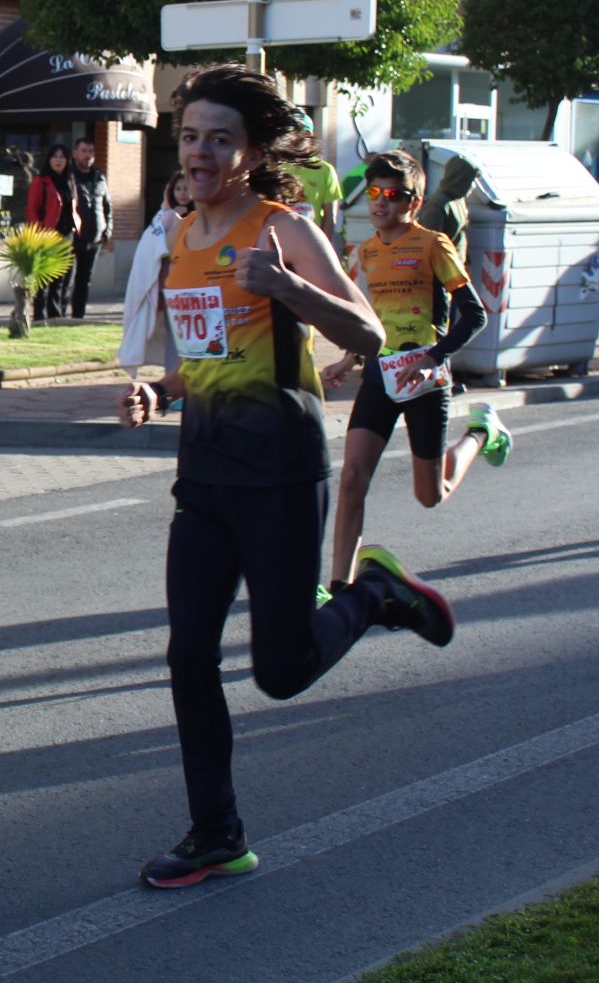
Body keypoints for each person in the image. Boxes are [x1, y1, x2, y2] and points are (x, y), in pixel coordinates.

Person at [114, 65, 454, 890]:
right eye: (190, 136)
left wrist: (288, 287)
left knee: (281, 670)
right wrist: (155, 390)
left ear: (253, 150)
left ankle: (374, 592)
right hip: (204, 480)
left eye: (218, 139)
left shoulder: (283, 229)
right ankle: (215, 833)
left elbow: (371, 333)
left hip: (280, 472)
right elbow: (192, 363)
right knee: (188, 656)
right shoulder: (178, 241)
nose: (198, 151)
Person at [319, 152, 505, 596]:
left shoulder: (432, 245)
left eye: (393, 195)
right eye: (375, 193)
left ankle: (482, 433)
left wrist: (434, 356)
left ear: (414, 202)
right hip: (382, 374)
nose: (381, 203)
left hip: (425, 380)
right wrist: (348, 359)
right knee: (351, 478)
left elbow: (474, 314)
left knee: (431, 494)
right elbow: (369, 319)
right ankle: (339, 583)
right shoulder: (364, 252)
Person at [120, 172, 191, 374]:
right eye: (178, 189)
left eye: (187, 188)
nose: (183, 193)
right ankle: (173, 384)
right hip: (172, 288)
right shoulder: (164, 217)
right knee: (175, 338)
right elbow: (151, 249)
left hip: (198, 286)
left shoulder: (207, 215)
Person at [25, 144, 79, 321]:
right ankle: (40, 316)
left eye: (62, 157)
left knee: (61, 279)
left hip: (67, 235)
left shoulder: (70, 181)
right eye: (55, 156)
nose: (58, 160)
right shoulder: (41, 181)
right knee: (44, 279)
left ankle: (56, 315)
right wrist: (39, 233)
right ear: (49, 160)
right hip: (47, 235)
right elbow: (32, 211)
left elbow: (73, 208)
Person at [68, 137, 113, 319]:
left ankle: (78, 316)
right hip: (72, 236)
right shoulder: (69, 175)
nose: (88, 155)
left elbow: (108, 206)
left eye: (91, 152)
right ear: (75, 153)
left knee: (84, 280)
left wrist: (107, 231)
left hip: (94, 237)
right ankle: (58, 314)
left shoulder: (99, 177)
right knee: (64, 279)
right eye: (84, 151)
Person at [279, 143, 344, 256]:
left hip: (312, 243)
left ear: (308, 134)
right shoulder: (279, 169)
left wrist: (323, 250)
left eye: (296, 132)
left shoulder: (325, 169)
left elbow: (331, 216)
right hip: (283, 244)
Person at [417, 154, 481, 266]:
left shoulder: (458, 200)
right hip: (443, 272)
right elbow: (430, 246)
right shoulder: (437, 205)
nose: (474, 186)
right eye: (471, 180)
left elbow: (461, 234)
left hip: (456, 267)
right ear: (460, 180)